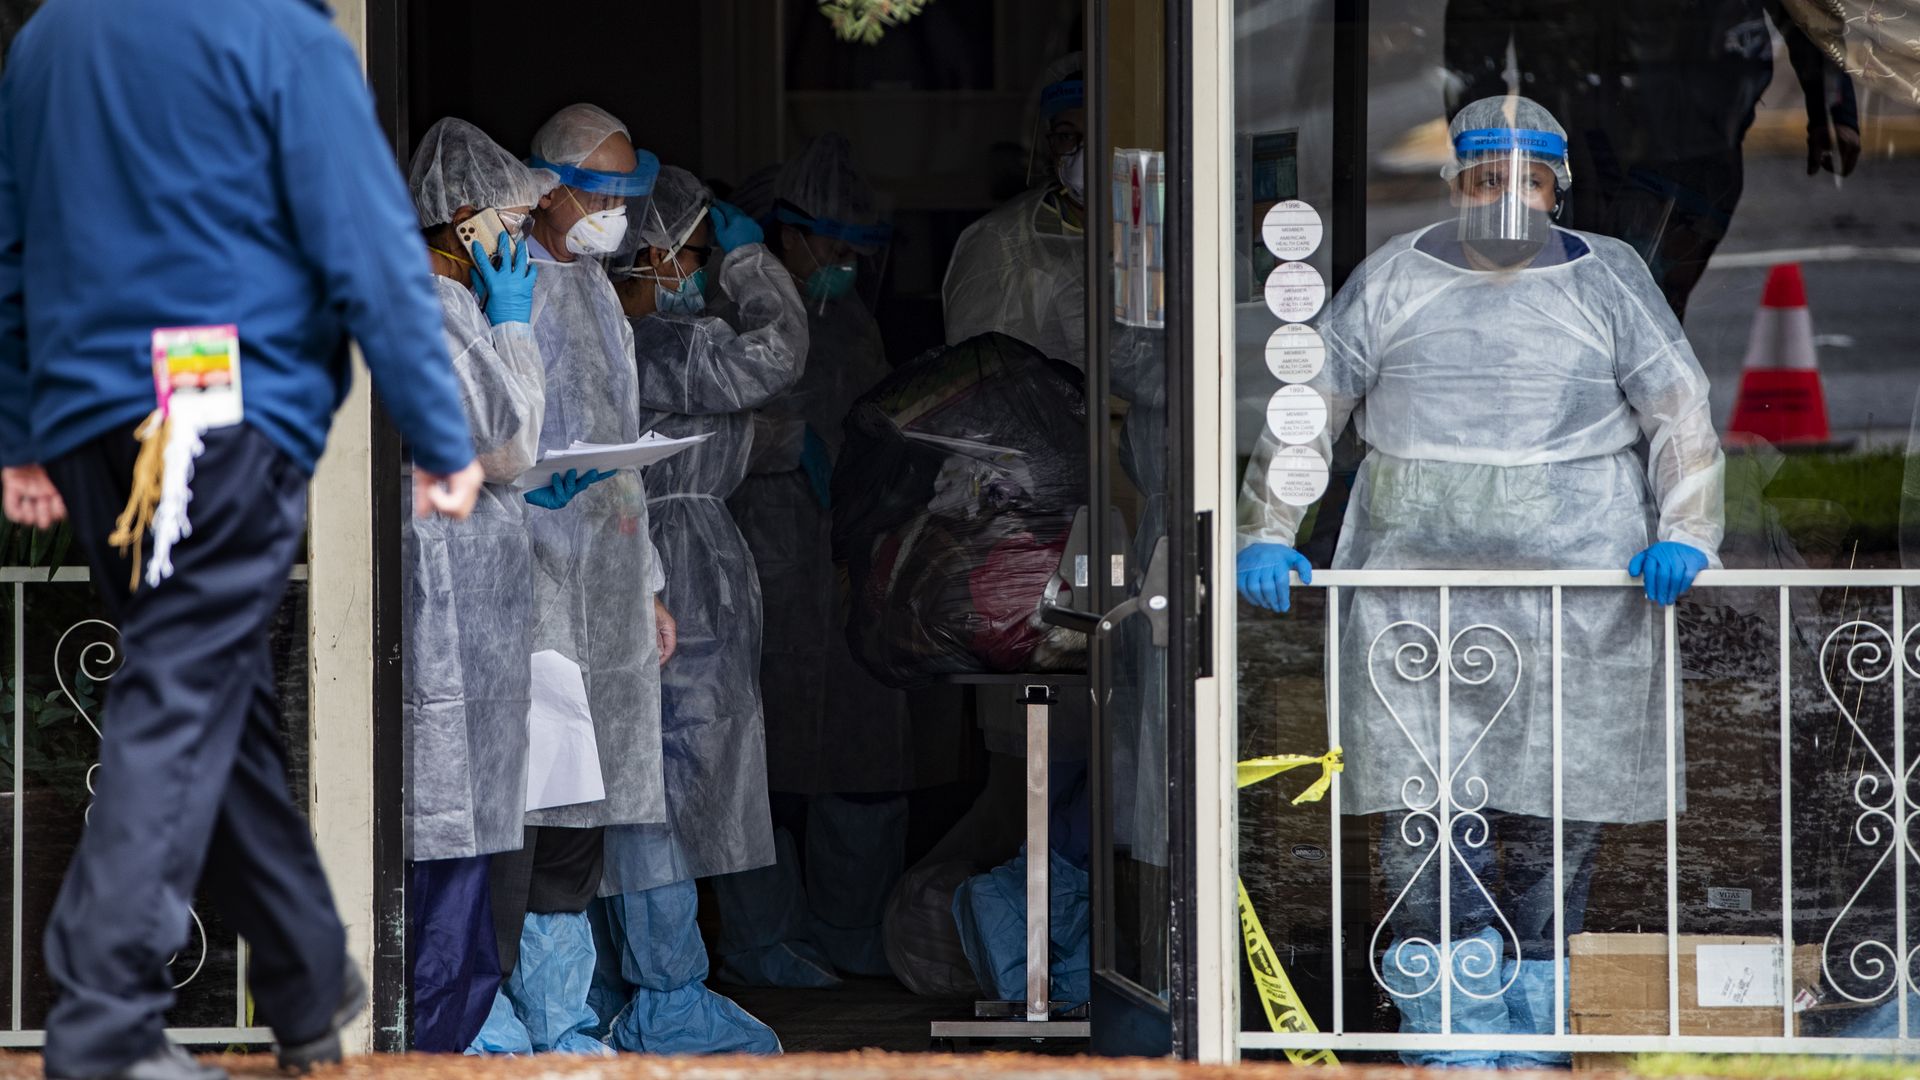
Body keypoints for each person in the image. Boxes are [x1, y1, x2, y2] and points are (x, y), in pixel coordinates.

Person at [0, 1, 486, 1077]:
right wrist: (441, 433)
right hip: (216, 409)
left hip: (90, 414)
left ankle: (310, 984)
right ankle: (105, 1018)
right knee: (185, 682)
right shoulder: (280, 34)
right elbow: (367, 244)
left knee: (213, 679)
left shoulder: (49, 35)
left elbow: (13, 240)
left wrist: (22, 428)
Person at [1236, 95, 1726, 1069]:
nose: (1508, 197)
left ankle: (1542, 1018)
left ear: (1558, 189)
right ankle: (1450, 1024)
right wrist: (1267, 527)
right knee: (1428, 812)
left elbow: (1679, 408)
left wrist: (1687, 531)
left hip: (1582, 598)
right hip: (1415, 594)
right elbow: (1311, 406)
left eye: (1529, 180)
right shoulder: (1394, 280)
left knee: (1561, 813)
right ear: (1457, 184)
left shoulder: (1610, 278)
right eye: (1486, 177)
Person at [588, 164, 805, 1055]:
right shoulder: (655, 341)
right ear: (657, 252)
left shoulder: (642, 337)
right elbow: (775, 355)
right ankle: (664, 990)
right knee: (653, 784)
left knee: (653, 780)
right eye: (701, 253)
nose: (706, 269)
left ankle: (627, 985)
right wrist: (756, 268)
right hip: (670, 562)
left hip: (681, 554)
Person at [470, 103, 672, 1057]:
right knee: (534, 799)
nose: (613, 211)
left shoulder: (596, 290)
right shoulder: (508, 287)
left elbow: (623, 450)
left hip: (609, 571)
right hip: (532, 572)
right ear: (542, 188)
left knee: (587, 808)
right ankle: (499, 1013)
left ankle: (564, 1017)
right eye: (598, 190)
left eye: (628, 193)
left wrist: (652, 583)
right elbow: (496, 432)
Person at [714, 135, 934, 989]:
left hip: (842, 557)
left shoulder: (850, 321)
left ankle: (848, 928)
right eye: (831, 246)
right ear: (786, 234)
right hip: (760, 557)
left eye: (857, 252)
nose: (842, 266)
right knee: (750, 757)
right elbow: (699, 420)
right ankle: (763, 940)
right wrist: (779, 443)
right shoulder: (740, 311)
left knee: (859, 749)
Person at [401, 117, 559, 1054]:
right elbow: (508, 441)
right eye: (511, 219)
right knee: (448, 842)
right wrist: (514, 323)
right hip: (447, 598)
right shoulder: (434, 307)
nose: (523, 239)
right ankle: (431, 1043)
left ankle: (447, 1031)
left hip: (472, 592)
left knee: (468, 834)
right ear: (464, 222)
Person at [1443, 0, 1859, 319]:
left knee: (1637, 307)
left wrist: (1832, 102)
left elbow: (1805, 10)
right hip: (1591, 127)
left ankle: (1637, 414)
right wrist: (1482, 141)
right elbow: (1477, 24)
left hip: (1692, 129)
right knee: (1604, 306)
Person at [942, 52, 1088, 367]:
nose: (1083, 152)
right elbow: (978, 376)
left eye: (1098, 132)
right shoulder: (1002, 242)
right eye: (1066, 135)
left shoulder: (1151, 232)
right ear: (1050, 144)